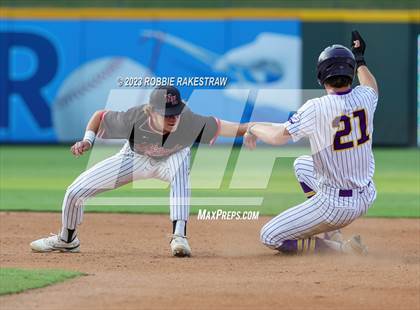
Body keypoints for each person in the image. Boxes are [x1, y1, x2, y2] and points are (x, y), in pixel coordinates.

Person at [31, 85, 249, 257]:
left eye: (176, 112)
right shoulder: (134, 119)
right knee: (74, 191)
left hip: (172, 158)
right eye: (167, 113)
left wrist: (252, 129)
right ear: (152, 111)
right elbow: (99, 117)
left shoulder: (189, 121)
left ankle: (179, 236)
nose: (173, 118)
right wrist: (88, 141)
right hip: (134, 158)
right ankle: (67, 240)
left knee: (181, 165)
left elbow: (229, 128)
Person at [244, 31, 378, 255]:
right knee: (302, 164)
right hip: (366, 194)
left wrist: (252, 127)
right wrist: (360, 58)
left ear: (321, 75)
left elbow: (277, 137)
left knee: (269, 236)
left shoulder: (317, 107)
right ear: (351, 72)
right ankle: (330, 230)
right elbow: (371, 86)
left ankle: (341, 249)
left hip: (336, 205)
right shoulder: (365, 98)